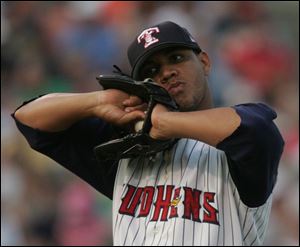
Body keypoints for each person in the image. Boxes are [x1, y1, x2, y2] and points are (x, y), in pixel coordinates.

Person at [12, 21, 284, 246]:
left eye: (176, 58)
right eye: (152, 71)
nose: (167, 73)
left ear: (204, 62)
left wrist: (165, 122)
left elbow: (256, 130)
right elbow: (30, 119)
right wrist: (96, 102)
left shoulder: (236, 150)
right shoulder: (127, 152)